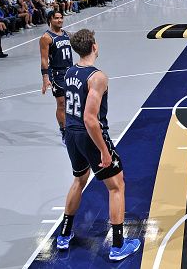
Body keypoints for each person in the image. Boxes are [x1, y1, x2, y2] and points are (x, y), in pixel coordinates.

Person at [57, 29, 140, 260]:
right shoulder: (97, 77)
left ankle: (64, 234)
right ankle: (118, 245)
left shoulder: (70, 71)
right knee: (116, 186)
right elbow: (90, 119)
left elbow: (68, 106)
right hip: (89, 135)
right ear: (94, 46)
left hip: (72, 134)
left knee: (79, 179)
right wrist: (104, 150)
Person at [40, 11, 74, 144]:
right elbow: (44, 59)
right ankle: (64, 132)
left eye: (61, 18)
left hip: (70, 72)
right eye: (56, 18)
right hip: (57, 74)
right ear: (50, 20)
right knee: (61, 104)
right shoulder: (46, 37)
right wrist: (45, 77)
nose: (60, 20)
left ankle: (74, 127)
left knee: (72, 102)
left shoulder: (65, 34)